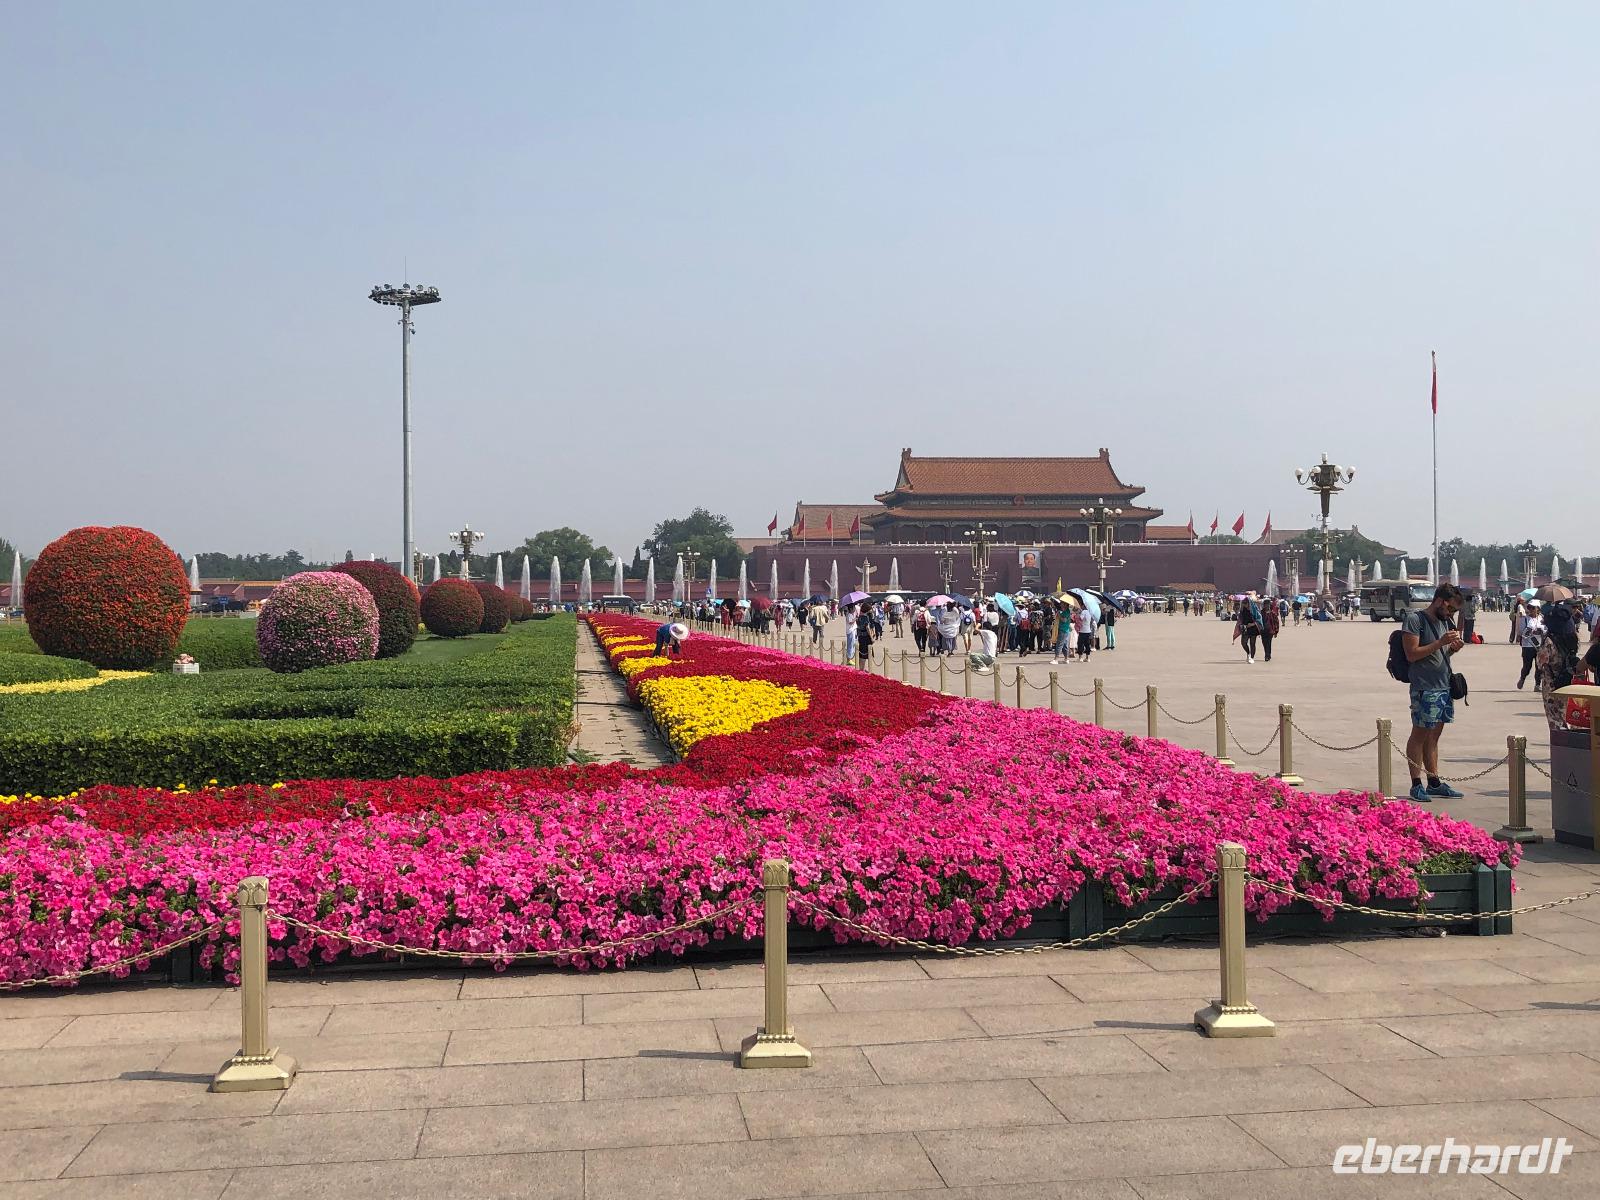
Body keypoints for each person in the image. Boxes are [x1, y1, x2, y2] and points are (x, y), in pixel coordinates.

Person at [1402, 583, 1466, 804]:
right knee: (1419, 734)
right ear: (1440, 601)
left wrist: (1453, 648)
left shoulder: (1444, 621)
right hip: (1424, 686)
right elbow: (1412, 654)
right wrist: (1441, 642)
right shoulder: (1414, 620)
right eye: (1451, 609)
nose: (1452, 615)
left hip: (1443, 686)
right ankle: (1416, 783)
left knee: (1434, 736)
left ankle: (1434, 781)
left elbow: (1440, 654)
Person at [1535, 605, 1583, 730]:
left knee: (1555, 719)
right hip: (1568, 681)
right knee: (1569, 715)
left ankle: (1560, 745)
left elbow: (1540, 663)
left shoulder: (1549, 641)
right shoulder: (1573, 638)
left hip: (1552, 684)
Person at [1517, 599, 1545, 689]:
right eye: (1529, 607)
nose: (1531, 610)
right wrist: (1529, 631)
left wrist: (1541, 631)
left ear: (1538, 608)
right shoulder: (1524, 619)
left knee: (1539, 667)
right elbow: (1521, 631)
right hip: (1528, 646)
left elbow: (1546, 630)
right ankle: (1522, 678)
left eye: (1533, 608)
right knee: (1527, 666)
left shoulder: (1542, 618)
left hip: (1539, 646)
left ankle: (1537, 684)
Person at [1233, 594, 1263, 664]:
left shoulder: (1254, 610)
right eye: (1243, 604)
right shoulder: (1243, 610)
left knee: (1252, 643)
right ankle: (1248, 653)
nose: (1244, 605)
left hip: (1253, 628)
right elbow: (1240, 619)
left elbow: (1259, 618)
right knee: (1243, 643)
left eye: (1245, 604)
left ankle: (1252, 658)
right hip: (1245, 628)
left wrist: (1252, 624)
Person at [1260, 596, 1280, 662]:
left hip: (1270, 631)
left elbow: (1276, 622)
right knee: (1264, 643)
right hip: (1263, 631)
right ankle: (1267, 654)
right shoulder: (1261, 613)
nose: (1267, 606)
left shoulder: (1273, 613)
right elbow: (1258, 621)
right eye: (1265, 605)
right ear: (1264, 605)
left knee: (1269, 643)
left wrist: (1276, 631)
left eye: (1268, 605)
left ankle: (1267, 655)